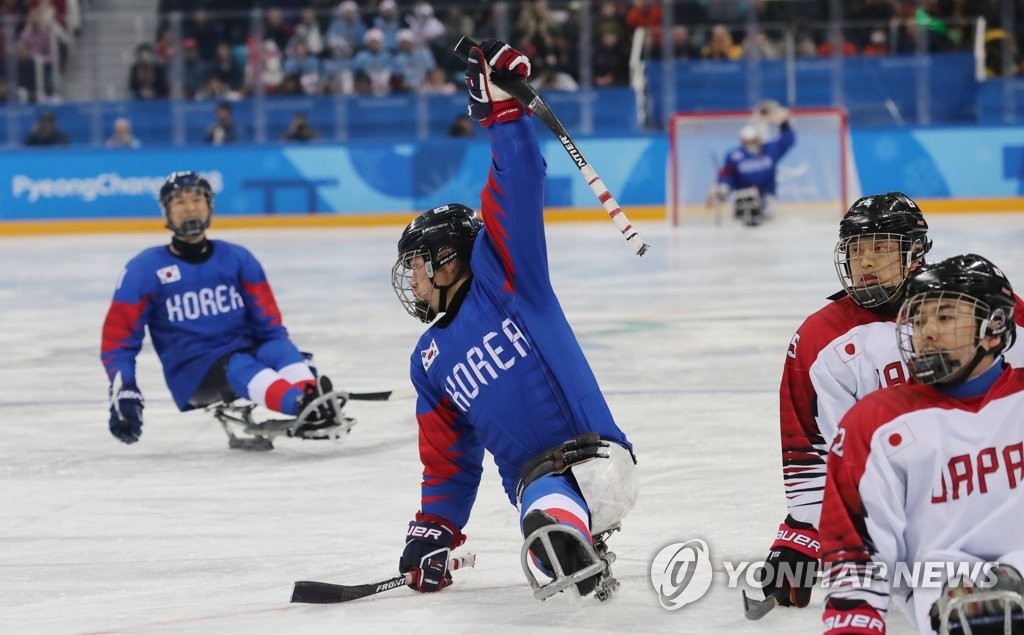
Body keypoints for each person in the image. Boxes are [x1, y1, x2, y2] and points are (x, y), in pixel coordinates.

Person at [390, 39, 638, 601]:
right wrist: (435, 531)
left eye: (418, 267)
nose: (414, 282)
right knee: (543, 503)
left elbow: (517, 184)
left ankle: (562, 533)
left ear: (448, 260)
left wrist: (502, 112)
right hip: (538, 488)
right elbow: (448, 460)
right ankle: (563, 538)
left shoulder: (509, 281)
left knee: (550, 501)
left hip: (599, 458)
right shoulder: (428, 361)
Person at [819, 254, 1024, 635]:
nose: (926, 332)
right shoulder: (875, 424)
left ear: (994, 328)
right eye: (918, 319)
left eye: (945, 317)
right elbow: (855, 557)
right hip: (949, 599)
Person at [101, 172, 345, 449]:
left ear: (210, 207)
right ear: (167, 212)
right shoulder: (144, 268)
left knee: (279, 349)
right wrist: (124, 388)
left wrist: (295, 366)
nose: (190, 207)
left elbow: (271, 329)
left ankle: (310, 397)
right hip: (193, 373)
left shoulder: (238, 258)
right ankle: (301, 405)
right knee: (239, 364)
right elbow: (117, 342)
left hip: (244, 353)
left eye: (197, 199)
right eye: (180, 201)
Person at [709, 101, 795, 226]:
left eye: (755, 140)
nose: (752, 144)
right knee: (745, 207)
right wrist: (723, 187)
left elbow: (788, 140)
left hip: (767, 195)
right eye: (749, 141)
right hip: (743, 196)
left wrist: (784, 124)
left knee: (768, 212)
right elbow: (727, 174)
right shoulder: (734, 156)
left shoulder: (770, 150)